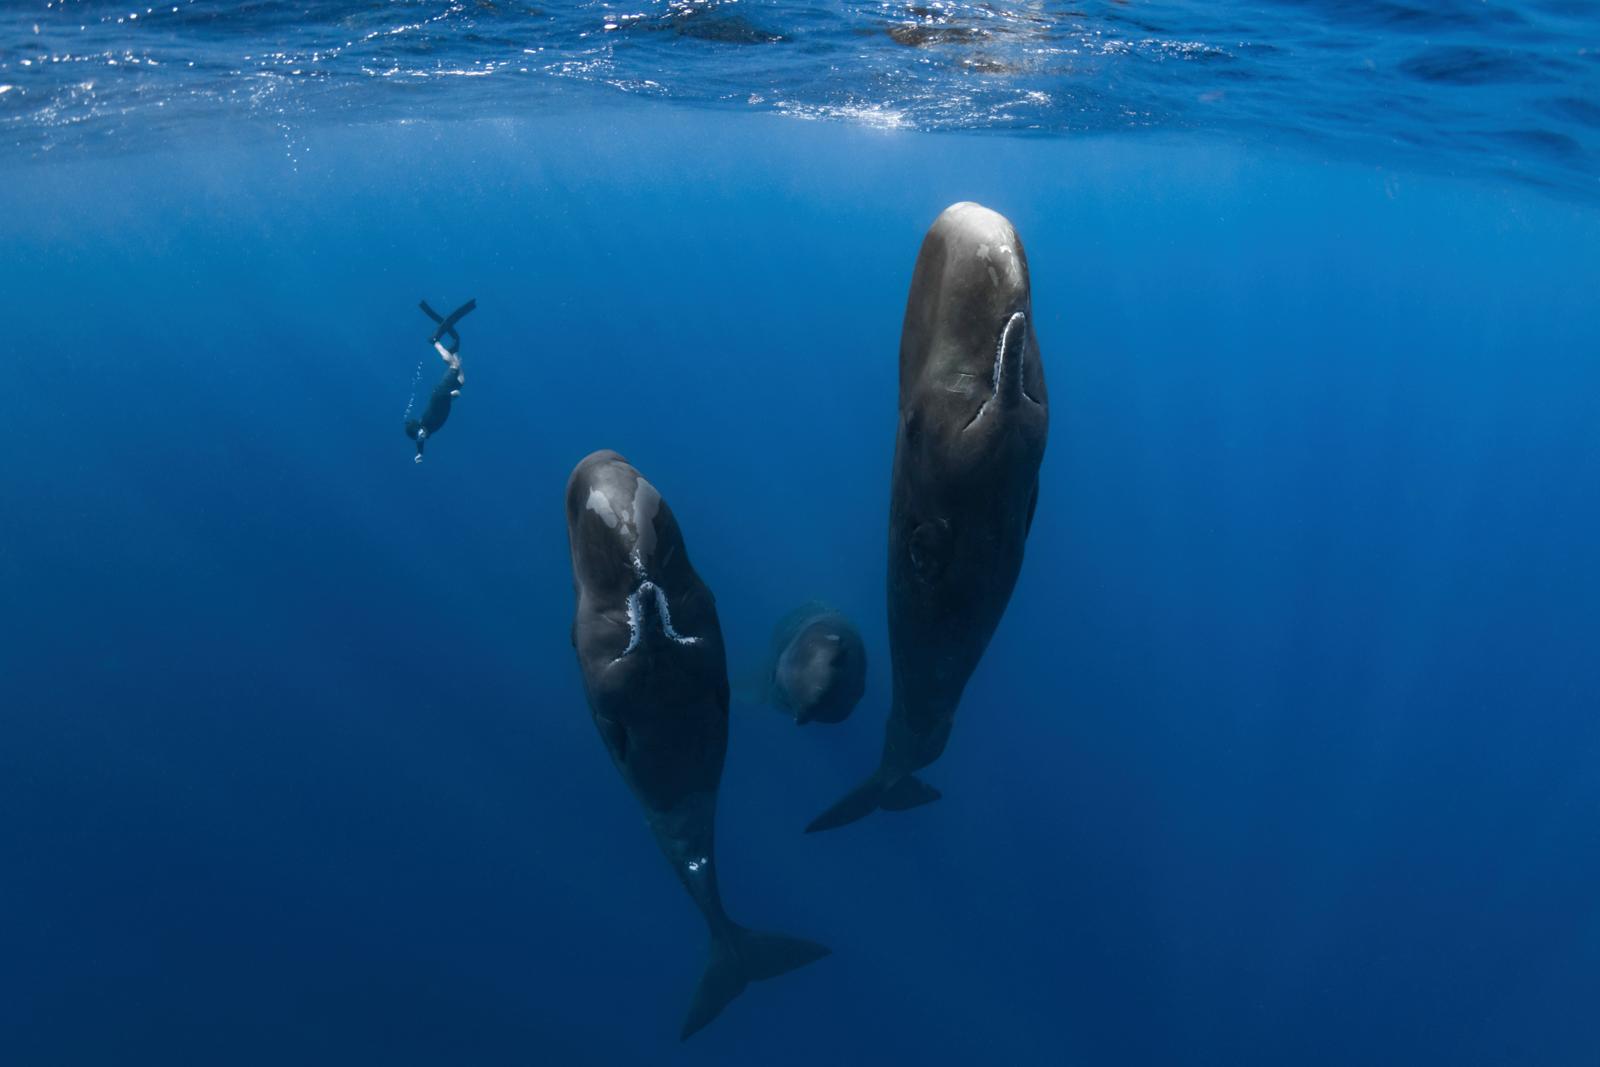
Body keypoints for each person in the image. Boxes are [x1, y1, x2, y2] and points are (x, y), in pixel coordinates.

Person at [406, 299, 475, 463]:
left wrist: (451, 396)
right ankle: (454, 350)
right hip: (444, 397)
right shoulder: (423, 434)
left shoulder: (427, 421)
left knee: (454, 366)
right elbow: (419, 442)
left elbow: (436, 403)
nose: (421, 436)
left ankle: (435, 341)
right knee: (461, 380)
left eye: (419, 433)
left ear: (419, 427)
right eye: (419, 436)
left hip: (442, 392)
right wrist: (419, 454)